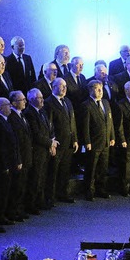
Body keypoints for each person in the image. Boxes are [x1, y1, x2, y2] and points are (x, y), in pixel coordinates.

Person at [0, 97, 21, 233]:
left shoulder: (4, 120)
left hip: (7, 163)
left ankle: (1, 216)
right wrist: (5, 165)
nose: (10, 108)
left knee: (4, 193)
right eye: (8, 105)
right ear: (1, 107)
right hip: (1, 166)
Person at [44, 77, 79, 205]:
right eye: (61, 86)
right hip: (57, 143)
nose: (64, 88)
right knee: (53, 172)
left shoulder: (68, 101)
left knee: (65, 170)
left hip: (68, 142)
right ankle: (50, 197)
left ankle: (62, 193)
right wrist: (52, 142)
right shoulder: (49, 103)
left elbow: (72, 121)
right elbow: (49, 124)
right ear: (53, 87)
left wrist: (75, 139)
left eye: (65, 86)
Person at [24, 88, 58, 213]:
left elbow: (50, 128)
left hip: (46, 149)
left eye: (42, 97)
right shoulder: (29, 113)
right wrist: (50, 143)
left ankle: (40, 201)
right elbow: (36, 134)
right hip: (37, 151)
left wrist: (52, 143)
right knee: (35, 178)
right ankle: (31, 204)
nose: (42, 99)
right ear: (31, 100)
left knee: (43, 177)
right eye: (39, 98)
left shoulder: (43, 111)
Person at [80, 80, 115, 201]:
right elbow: (85, 126)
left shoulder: (105, 103)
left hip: (105, 141)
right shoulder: (86, 105)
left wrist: (112, 137)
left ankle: (101, 189)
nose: (101, 91)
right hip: (94, 142)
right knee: (91, 168)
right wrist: (87, 141)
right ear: (91, 89)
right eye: (98, 89)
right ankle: (89, 191)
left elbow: (110, 122)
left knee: (103, 168)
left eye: (101, 89)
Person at [8, 90, 32, 222]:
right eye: (22, 100)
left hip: (26, 156)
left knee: (22, 185)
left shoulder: (21, 115)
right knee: (16, 187)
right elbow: (15, 140)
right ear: (13, 103)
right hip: (19, 158)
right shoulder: (12, 117)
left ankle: (19, 209)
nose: (25, 102)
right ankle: (13, 211)